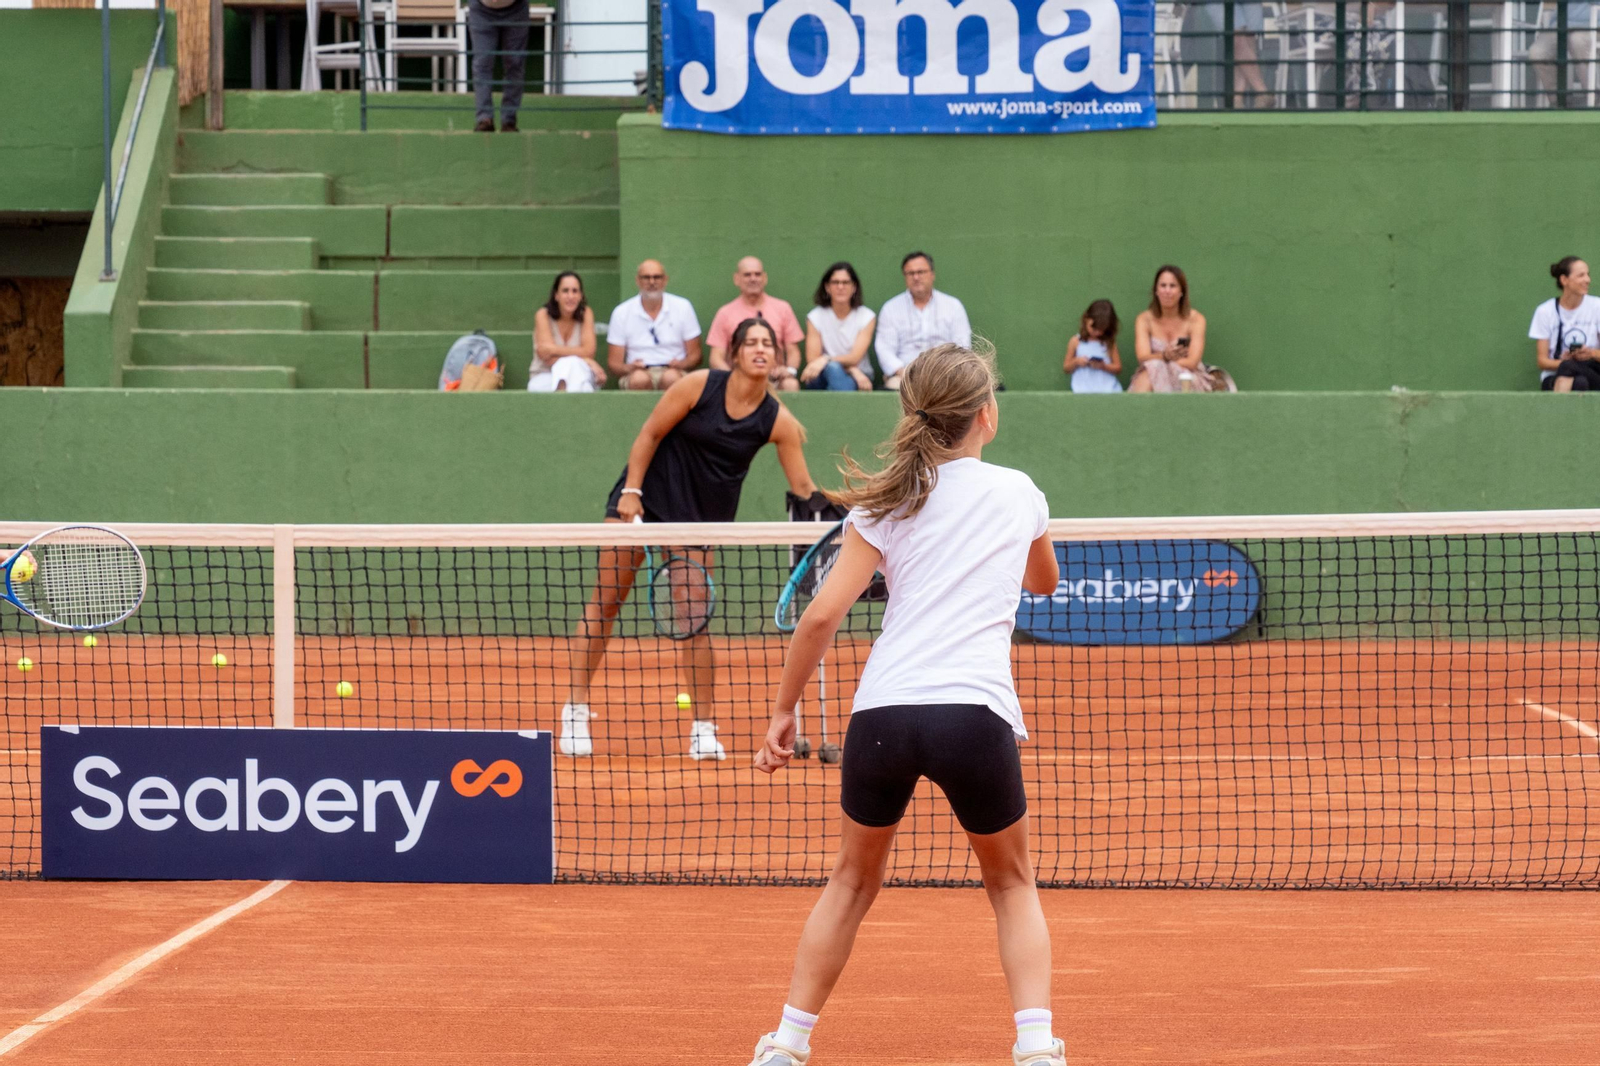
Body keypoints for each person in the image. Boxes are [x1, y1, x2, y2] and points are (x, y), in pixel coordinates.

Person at [747, 342, 1064, 1066]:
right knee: (1012, 883)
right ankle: (1037, 1048)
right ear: (986, 416)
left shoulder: (887, 502)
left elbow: (820, 618)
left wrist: (783, 712)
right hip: (973, 716)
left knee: (850, 882)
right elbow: (1043, 581)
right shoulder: (1020, 492)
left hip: (883, 715)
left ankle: (786, 1044)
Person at [559, 318, 822, 760]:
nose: (760, 349)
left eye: (767, 344)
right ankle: (575, 710)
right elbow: (650, 433)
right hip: (644, 499)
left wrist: (843, 511)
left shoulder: (777, 420)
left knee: (694, 622)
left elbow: (804, 489)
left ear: (776, 356)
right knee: (605, 603)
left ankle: (702, 729)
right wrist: (631, 491)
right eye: (751, 343)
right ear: (735, 353)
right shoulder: (700, 386)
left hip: (699, 522)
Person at [875, 251, 972, 390]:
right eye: (910, 273)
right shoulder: (890, 308)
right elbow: (884, 349)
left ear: (932, 274)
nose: (916, 277)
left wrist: (944, 372)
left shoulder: (953, 306)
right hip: (905, 377)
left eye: (921, 272)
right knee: (893, 386)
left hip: (945, 376)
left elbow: (962, 346)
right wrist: (903, 372)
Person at [707, 256, 805, 390]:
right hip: (738, 380)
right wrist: (732, 376)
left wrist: (789, 370)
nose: (753, 279)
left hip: (773, 378)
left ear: (765, 278)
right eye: (747, 275)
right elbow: (716, 357)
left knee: (790, 384)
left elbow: (793, 351)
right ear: (737, 279)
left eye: (757, 274)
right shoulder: (725, 313)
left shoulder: (783, 308)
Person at [605, 260, 703, 392]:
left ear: (665, 280)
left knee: (671, 378)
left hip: (675, 371)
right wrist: (629, 368)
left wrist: (681, 364)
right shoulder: (622, 312)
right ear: (637, 281)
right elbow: (614, 363)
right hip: (637, 372)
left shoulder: (683, 307)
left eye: (657, 277)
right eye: (646, 277)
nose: (652, 282)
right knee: (639, 380)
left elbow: (696, 355)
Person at [1130, 265, 1211, 393]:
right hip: (1152, 374)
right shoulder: (1144, 319)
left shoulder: (1196, 319)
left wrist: (1165, 362)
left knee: (1159, 366)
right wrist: (1164, 356)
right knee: (1153, 367)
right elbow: (1142, 357)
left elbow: (1192, 362)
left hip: (1186, 375)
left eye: (1172, 286)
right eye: (1163, 285)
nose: (1167, 291)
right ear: (1156, 290)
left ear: (1181, 291)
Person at [802, 261, 876, 391]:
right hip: (822, 374)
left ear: (854, 287)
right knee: (832, 368)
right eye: (835, 282)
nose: (840, 287)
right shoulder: (815, 316)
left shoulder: (866, 316)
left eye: (845, 282)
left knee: (834, 368)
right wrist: (851, 369)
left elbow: (854, 358)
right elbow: (813, 359)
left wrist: (826, 359)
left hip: (860, 376)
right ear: (827, 287)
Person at [1530, 256, 1600, 392]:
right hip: (1555, 374)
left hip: (1593, 371)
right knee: (1578, 381)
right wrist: (1565, 361)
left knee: (1570, 367)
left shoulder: (1597, 307)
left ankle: (1556, 406)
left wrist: (1590, 354)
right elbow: (1542, 361)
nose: (1587, 280)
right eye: (1581, 275)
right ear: (1564, 280)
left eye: (1588, 274)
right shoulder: (1545, 311)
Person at [528, 272, 605, 393]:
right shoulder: (543, 315)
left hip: (579, 373)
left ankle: (566, 397)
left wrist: (553, 349)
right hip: (546, 376)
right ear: (556, 295)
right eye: (565, 291)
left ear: (581, 296)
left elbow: (589, 351)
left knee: (573, 366)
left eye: (575, 291)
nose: (570, 296)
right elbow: (545, 355)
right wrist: (585, 359)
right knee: (584, 386)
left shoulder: (586, 313)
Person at [467, 0, 530, 132]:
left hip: (517, 9)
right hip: (481, 9)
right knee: (482, 63)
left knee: (515, 63)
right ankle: (484, 118)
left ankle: (509, 120)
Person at [1530, 3, 1596, 107]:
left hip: (1592, 22)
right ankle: (1559, 100)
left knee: (1577, 41)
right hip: (1560, 23)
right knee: (1537, 53)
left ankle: (1593, 97)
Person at [1063, 299, 1123, 394]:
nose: (1097, 332)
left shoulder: (1108, 343)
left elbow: (1118, 367)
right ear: (1086, 319)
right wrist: (1076, 362)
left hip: (1108, 391)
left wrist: (1103, 366)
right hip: (1083, 391)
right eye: (1093, 328)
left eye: (1101, 330)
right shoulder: (1076, 341)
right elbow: (1066, 368)